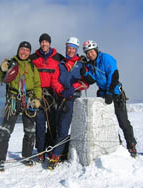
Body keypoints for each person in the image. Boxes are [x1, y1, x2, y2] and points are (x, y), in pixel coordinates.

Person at [81, 40, 137, 157]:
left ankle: (131, 145)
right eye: (87, 53)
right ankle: (116, 142)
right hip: (103, 95)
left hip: (115, 93)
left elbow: (114, 75)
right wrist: (85, 73)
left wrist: (110, 92)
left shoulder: (106, 58)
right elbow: (92, 80)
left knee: (123, 122)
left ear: (96, 50)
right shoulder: (91, 64)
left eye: (91, 52)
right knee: (107, 122)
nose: (90, 55)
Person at [0, 41, 42, 170]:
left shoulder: (32, 67)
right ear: (18, 50)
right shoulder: (11, 63)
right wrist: (2, 69)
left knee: (30, 132)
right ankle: (0, 159)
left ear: (29, 52)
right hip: (13, 100)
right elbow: (0, 78)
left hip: (29, 101)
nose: (24, 52)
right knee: (5, 132)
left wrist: (37, 99)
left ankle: (27, 157)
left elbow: (38, 84)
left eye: (27, 50)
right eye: (22, 49)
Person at [47, 37, 89, 170]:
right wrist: (61, 91)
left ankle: (58, 154)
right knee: (61, 127)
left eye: (73, 48)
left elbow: (86, 82)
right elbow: (54, 80)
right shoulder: (61, 64)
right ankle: (57, 154)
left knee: (71, 127)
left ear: (76, 50)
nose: (70, 50)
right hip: (62, 98)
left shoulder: (81, 64)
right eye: (68, 48)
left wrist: (74, 87)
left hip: (74, 99)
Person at [30, 33, 64, 163]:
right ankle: (40, 151)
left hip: (52, 95)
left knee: (52, 124)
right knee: (39, 124)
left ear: (49, 43)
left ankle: (50, 149)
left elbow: (69, 64)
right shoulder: (33, 58)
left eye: (46, 42)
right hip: (38, 95)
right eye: (42, 42)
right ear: (40, 43)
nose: (44, 44)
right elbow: (23, 64)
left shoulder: (57, 57)